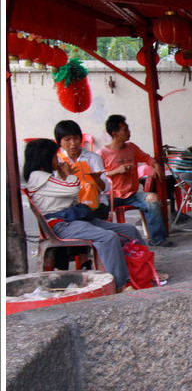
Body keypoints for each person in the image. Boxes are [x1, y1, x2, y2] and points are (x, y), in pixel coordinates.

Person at [23, 138, 146, 292]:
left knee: (129, 230)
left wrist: (65, 176)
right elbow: (73, 189)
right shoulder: (38, 176)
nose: (57, 158)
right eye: (55, 155)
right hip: (61, 224)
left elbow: (73, 197)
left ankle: (145, 271)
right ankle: (120, 284)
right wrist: (69, 175)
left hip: (73, 219)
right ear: (45, 157)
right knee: (108, 237)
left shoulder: (48, 176)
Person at [98, 114, 172, 247]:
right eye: (125, 129)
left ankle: (157, 239)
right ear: (115, 133)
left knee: (153, 198)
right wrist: (116, 171)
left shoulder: (131, 147)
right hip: (111, 196)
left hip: (132, 194)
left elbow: (147, 158)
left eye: (127, 128)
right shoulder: (101, 153)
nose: (129, 131)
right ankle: (105, 242)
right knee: (97, 208)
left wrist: (156, 165)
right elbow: (98, 176)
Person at [54, 120, 110, 220]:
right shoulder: (58, 161)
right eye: (67, 139)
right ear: (59, 142)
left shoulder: (93, 158)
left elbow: (106, 188)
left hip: (95, 205)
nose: (73, 143)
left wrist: (97, 180)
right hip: (70, 206)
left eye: (76, 138)